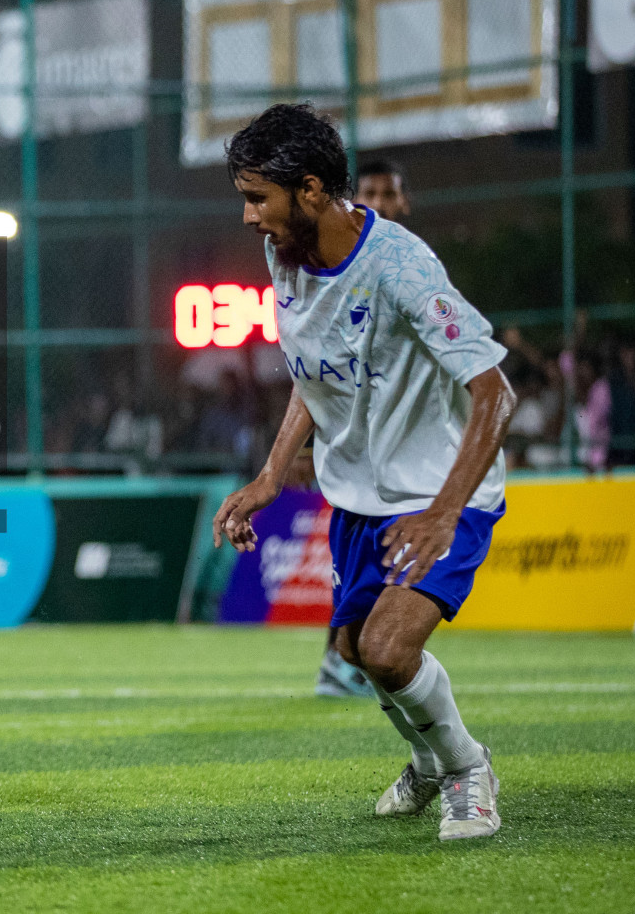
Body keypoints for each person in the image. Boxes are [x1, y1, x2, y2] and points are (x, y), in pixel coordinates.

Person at [213, 104, 517, 842]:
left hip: (441, 489)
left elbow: (495, 392)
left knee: (386, 648)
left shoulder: (401, 266)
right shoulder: (284, 255)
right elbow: (311, 375)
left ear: (312, 190)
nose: (250, 217)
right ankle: (427, 755)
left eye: (260, 198)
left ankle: (467, 770)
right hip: (360, 493)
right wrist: (269, 475)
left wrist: (446, 511)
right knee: (355, 650)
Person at [308, 158, 414, 698]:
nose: (379, 200)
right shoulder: (337, 272)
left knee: (396, 570)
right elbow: (315, 370)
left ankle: (370, 657)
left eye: (388, 192)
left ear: (404, 203)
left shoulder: (418, 270)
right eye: (368, 191)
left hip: (409, 456)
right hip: (357, 454)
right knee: (358, 570)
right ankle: (341, 658)